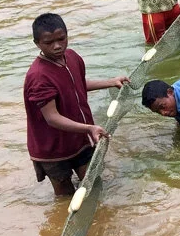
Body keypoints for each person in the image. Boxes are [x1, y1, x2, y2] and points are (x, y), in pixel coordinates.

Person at [24, 14, 128, 197]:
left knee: (93, 185)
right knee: (65, 196)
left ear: (66, 35)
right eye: (49, 42)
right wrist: (89, 128)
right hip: (52, 149)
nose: (57, 46)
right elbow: (52, 117)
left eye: (61, 39)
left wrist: (111, 82)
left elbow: (77, 84)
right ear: (37, 43)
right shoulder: (39, 77)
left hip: (79, 140)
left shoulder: (72, 57)